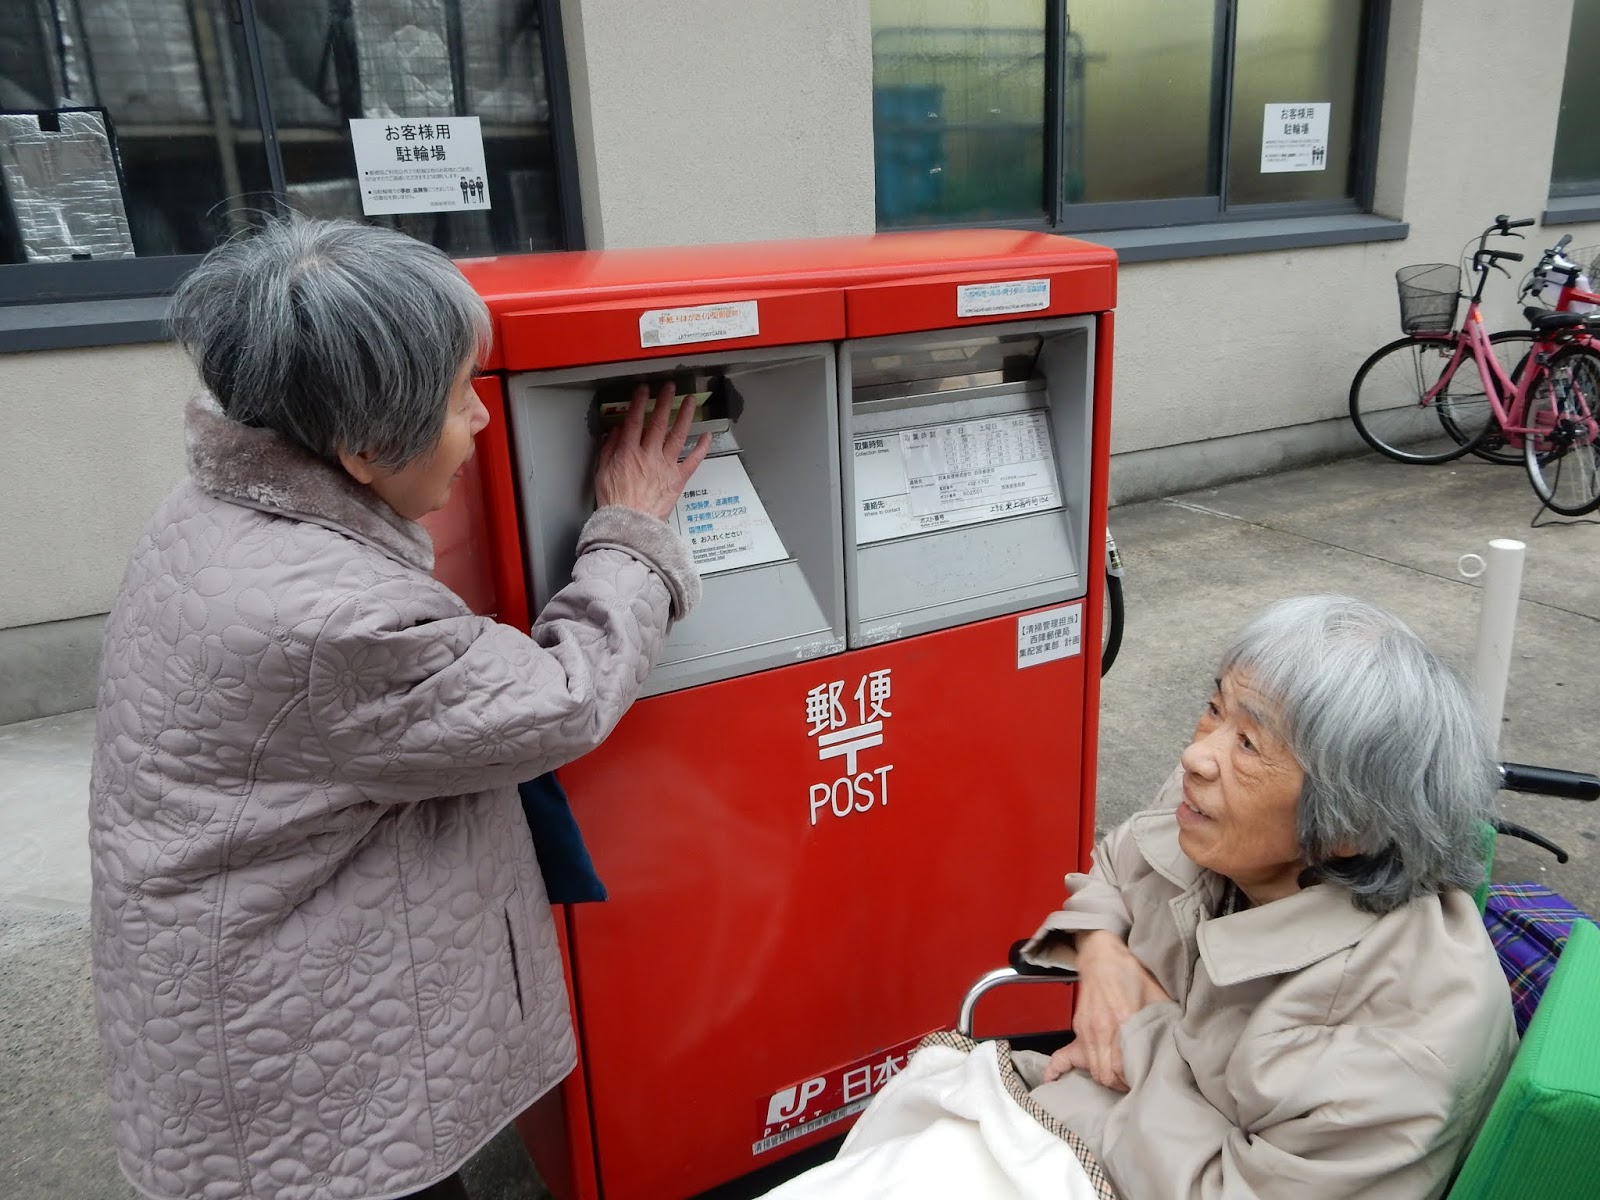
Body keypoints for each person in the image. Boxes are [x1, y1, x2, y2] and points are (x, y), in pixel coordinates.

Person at [87, 215, 709, 1200]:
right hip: (305, 1080)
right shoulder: (335, 619)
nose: (485, 419)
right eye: (463, 394)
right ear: (366, 445)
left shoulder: (221, 505)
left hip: (245, 1009)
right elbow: (559, 700)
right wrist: (630, 533)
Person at [1015, 594, 1517, 1199]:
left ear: (1346, 828)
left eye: (1249, 743)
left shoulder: (1395, 1049)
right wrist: (1102, 955)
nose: (1196, 755)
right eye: (1213, 708)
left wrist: (1143, 1035)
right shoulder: (1220, 822)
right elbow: (1116, 865)